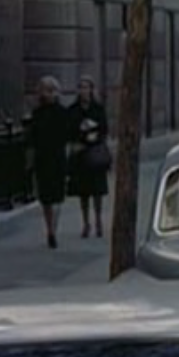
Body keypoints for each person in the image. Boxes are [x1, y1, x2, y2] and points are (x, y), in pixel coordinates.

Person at [66, 77, 110, 239]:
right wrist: (80, 135)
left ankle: (98, 220)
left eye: (86, 87)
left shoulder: (98, 109)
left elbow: (104, 128)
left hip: (95, 153)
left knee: (97, 190)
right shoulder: (73, 110)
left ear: (91, 90)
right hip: (80, 154)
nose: (84, 91)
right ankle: (86, 223)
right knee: (83, 192)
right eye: (81, 87)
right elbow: (69, 130)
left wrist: (94, 135)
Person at [29, 76, 70, 249]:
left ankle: (54, 227)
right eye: (46, 90)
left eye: (52, 90)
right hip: (43, 158)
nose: (49, 94)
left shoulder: (62, 112)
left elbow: (67, 135)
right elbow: (32, 137)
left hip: (57, 157)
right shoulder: (37, 113)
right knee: (46, 198)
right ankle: (50, 230)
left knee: (58, 197)